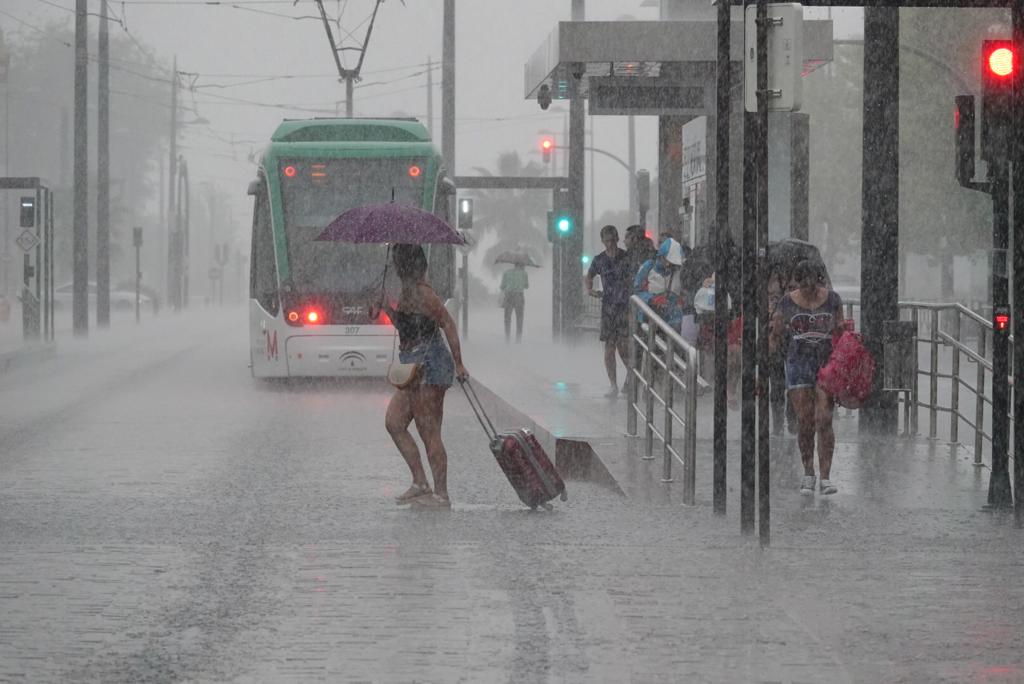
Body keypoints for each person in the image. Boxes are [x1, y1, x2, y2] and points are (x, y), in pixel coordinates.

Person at [383, 243, 468, 509]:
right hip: (412, 366)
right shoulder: (408, 292)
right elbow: (407, 327)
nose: (394, 268)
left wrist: (459, 363)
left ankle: (441, 495)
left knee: (429, 430)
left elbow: (448, 324)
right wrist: (386, 308)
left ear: (405, 266)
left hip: (430, 364)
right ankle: (420, 482)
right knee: (394, 422)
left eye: (397, 263)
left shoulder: (424, 293)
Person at [769, 259, 845, 496]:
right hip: (798, 363)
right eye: (804, 284)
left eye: (812, 284)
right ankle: (808, 473)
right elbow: (776, 334)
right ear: (797, 282)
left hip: (825, 365)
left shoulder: (833, 300)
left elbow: (841, 329)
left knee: (824, 419)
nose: (809, 290)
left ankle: (825, 476)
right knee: (805, 421)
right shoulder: (787, 302)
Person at [585, 225, 631, 398]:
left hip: (624, 306)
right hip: (608, 307)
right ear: (602, 241)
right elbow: (589, 275)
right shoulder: (599, 260)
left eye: (612, 240)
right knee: (609, 347)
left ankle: (631, 374)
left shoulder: (626, 258)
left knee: (624, 346)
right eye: (607, 241)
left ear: (617, 239)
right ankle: (613, 384)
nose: (610, 244)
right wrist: (590, 290)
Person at [499, 262, 528, 343]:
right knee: (519, 319)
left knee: (507, 319)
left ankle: (507, 338)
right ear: (521, 265)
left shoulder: (507, 272)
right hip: (519, 296)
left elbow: (502, 286)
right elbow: (526, 286)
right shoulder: (524, 273)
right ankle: (518, 340)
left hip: (508, 296)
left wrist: (509, 285)